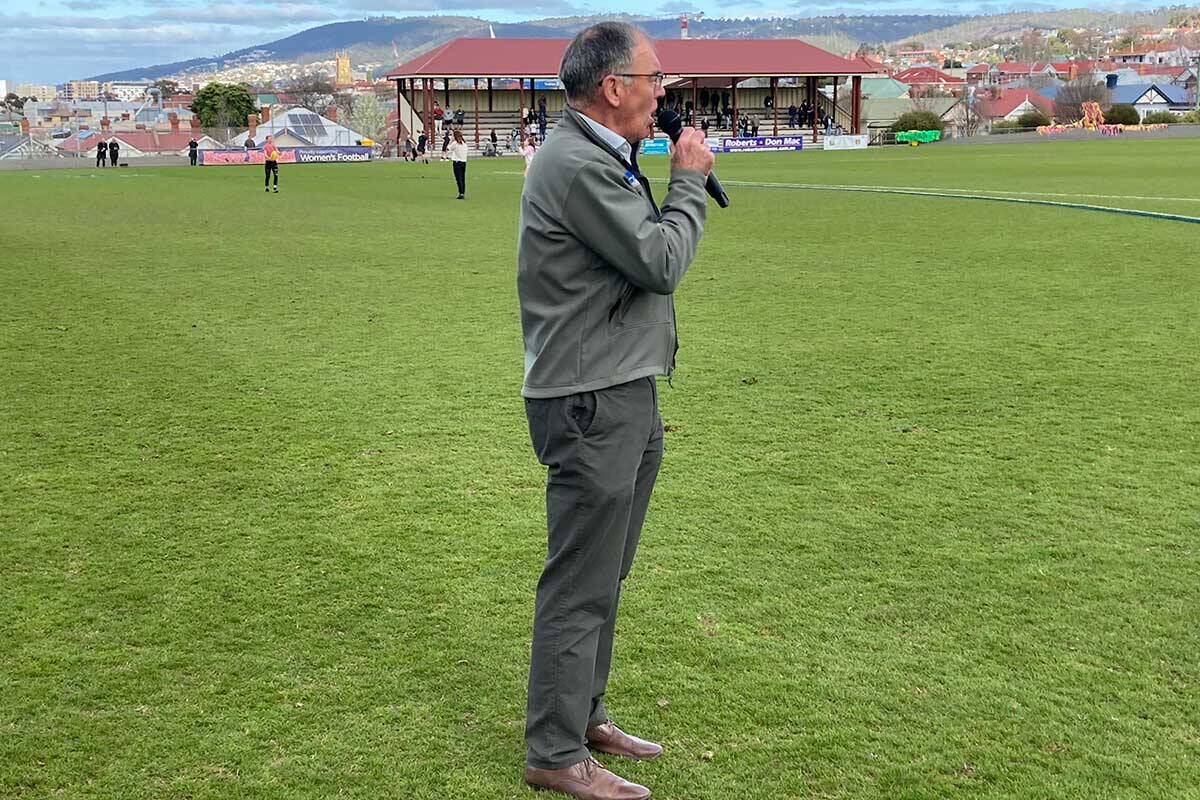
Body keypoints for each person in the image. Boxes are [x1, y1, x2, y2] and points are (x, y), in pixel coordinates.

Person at [517, 22, 712, 800]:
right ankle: (556, 753)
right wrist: (689, 180)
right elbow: (661, 261)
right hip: (591, 398)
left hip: (622, 387)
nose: (662, 91)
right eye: (654, 77)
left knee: (607, 573)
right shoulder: (577, 165)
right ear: (613, 88)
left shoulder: (600, 155)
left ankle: (584, 717)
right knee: (581, 581)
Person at [448, 128, 468, 199]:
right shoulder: (464, 144)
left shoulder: (455, 144)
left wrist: (450, 140)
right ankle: (462, 192)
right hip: (463, 162)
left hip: (457, 162)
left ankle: (461, 193)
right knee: (462, 178)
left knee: (458, 178)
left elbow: (448, 148)